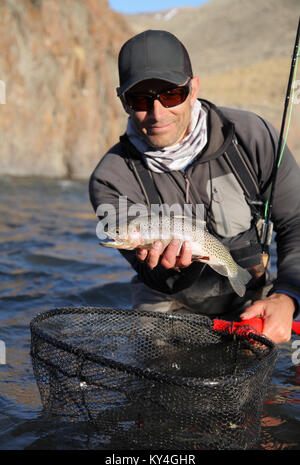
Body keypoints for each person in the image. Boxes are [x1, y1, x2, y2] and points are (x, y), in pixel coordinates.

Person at [89, 30, 300, 344]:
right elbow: (149, 272)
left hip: (251, 298)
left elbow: (295, 222)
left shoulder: (252, 138)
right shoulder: (111, 179)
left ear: (194, 88)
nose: (158, 113)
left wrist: (288, 297)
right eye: (141, 100)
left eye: (171, 94)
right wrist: (172, 266)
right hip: (165, 303)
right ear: (124, 102)